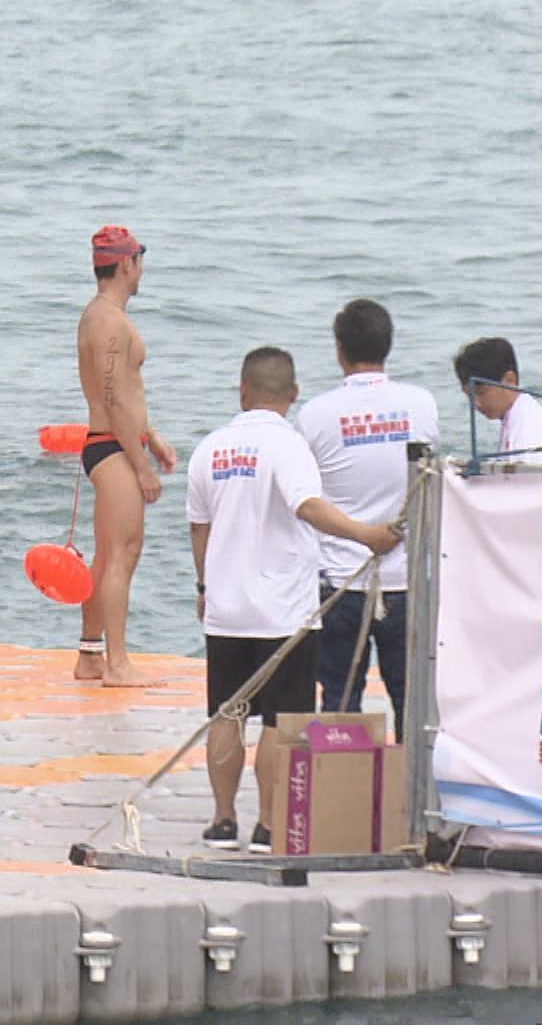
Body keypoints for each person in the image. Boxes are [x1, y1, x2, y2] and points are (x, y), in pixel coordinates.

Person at [188, 347, 403, 851]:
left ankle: (222, 821)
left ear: (242, 391)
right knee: (279, 722)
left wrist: (204, 586)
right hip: (283, 608)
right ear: (293, 395)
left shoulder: (210, 449)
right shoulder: (289, 447)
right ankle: (267, 824)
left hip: (226, 608)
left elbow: (200, 528)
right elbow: (307, 506)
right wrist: (366, 535)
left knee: (227, 714)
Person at [296, 300, 439, 728]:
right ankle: (411, 791)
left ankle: (342, 788)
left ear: (339, 350)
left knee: (340, 703)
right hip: (409, 580)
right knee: (411, 703)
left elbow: (307, 499)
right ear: (388, 345)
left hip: (341, 581)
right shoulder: (422, 405)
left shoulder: (315, 415)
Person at [74, 225, 178, 687]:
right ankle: (117, 663)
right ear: (126, 263)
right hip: (112, 447)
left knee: (106, 556)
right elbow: (114, 399)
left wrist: (149, 436)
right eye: (139, 258)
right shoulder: (110, 322)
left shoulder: (100, 315)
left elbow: (117, 395)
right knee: (122, 554)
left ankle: (91, 653)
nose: (142, 268)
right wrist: (141, 466)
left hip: (112, 442)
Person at [454, 337, 542, 465]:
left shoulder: (527, 436)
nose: (476, 403)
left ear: (510, 380)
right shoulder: (520, 415)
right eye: (469, 395)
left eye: (481, 392)